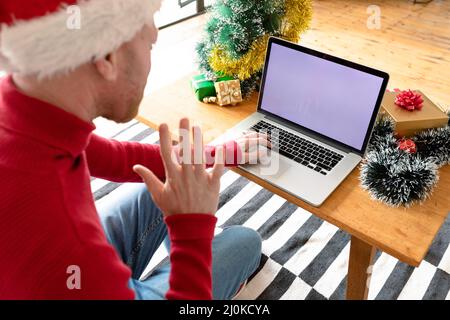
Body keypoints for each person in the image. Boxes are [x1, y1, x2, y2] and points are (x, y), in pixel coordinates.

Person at [0, 0, 269, 299]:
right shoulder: (66, 239)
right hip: (93, 283)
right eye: (149, 24)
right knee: (245, 243)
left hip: (84, 276)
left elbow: (119, 158)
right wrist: (191, 228)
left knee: (160, 181)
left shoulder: (28, 110)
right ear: (106, 54)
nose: (154, 34)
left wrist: (220, 153)